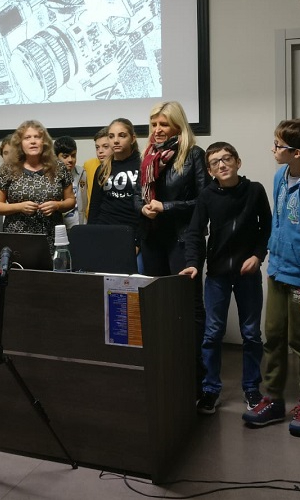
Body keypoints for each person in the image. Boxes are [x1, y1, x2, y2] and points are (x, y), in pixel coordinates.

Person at [242, 118, 300, 437]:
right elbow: (280, 223)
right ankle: (273, 400)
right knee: (273, 337)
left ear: (296, 152)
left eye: (278, 145)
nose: (273, 149)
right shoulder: (280, 177)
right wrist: (268, 255)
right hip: (277, 273)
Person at [179, 142, 272, 415]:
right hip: (217, 275)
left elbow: (268, 228)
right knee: (212, 333)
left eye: (227, 158)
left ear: (237, 162)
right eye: (215, 162)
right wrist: (192, 264)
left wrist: (258, 256)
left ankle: (252, 388)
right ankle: (210, 389)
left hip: (248, 274)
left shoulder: (254, 190)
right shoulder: (206, 196)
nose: (222, 164)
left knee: (251, 334)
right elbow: (195, 232)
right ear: (210, 170)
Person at [135, 101, 208, 391]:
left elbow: (203, 201)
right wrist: (143, 208)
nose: (157, 129)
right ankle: (163, 368)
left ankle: (195, 376)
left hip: (183, 239)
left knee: (188, 306)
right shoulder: (148, 155)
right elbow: (136, 196)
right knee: (156, 305)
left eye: (163, 124)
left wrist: (166, 207)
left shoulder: (194, 154)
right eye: (154, 124)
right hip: (153, 239)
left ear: (178, 125)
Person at [0, 120, 76, 252]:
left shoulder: (58, 167)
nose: (33, 141)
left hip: (52, 238)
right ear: (20, 143)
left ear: (44, 142)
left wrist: (57, 205)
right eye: (27, 138)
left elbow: (71, 201)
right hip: (18, 239)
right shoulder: (9, 169)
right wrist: (19, 207)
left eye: (37, 137)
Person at [87, 118, 142, 271]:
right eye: (111, 136)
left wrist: (138, 242)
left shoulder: (143, 165)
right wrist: (89, 237)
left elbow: (146, 210)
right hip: (103, 232)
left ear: (133, 138)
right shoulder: (103, 169)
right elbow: (95, 207)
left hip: (130, 234)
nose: (116, 140)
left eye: (122, 135)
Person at [55, 136, 86, 228]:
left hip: (79, 225)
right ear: (56, 157)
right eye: (65, 156)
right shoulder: (50, 175)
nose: (70, 160)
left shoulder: (82, 172)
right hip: (60, 226)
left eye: (73, 155)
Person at [82, 127, 111, 219]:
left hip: (110, 216)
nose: (100, 151)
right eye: (97, 147)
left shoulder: (118, 166)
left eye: (105, 146)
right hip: (92, 216)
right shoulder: (88, 165)